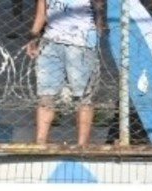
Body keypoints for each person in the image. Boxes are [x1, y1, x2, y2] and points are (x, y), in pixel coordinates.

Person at [29, 0, 105, 148]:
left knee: (83, 96)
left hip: (80, 42)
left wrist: (98, 32)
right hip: (51, 41)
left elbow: (99, 8)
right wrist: (33, 36)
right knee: (46, 94)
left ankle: (82, 144)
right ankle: (41, 142)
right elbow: (41, 13)